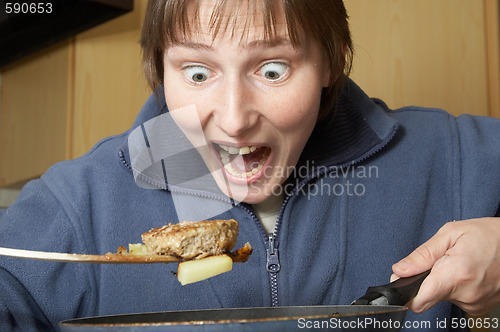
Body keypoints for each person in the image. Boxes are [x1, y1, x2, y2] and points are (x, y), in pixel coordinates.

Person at [0, 0, 499, 330]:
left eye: (273, 69)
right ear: (159, 69)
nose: (235, 121)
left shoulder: (452, 156)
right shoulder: (74, 204)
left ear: (330, 60)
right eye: (197, 73)